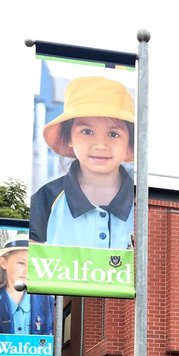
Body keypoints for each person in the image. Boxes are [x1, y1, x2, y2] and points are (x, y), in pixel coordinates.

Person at [30, 76, 134, 249]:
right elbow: (26, 260)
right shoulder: (46, 199)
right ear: (68, 137)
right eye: (87, 131)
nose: (100, 145)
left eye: (113, 134)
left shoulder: (144, 204)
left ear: (129, 144)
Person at [0, 233, 54, 356]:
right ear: (4, 262)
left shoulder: (46, 301)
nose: (27, 270)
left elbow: (46, 338)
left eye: (33, 264)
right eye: (21, 263)